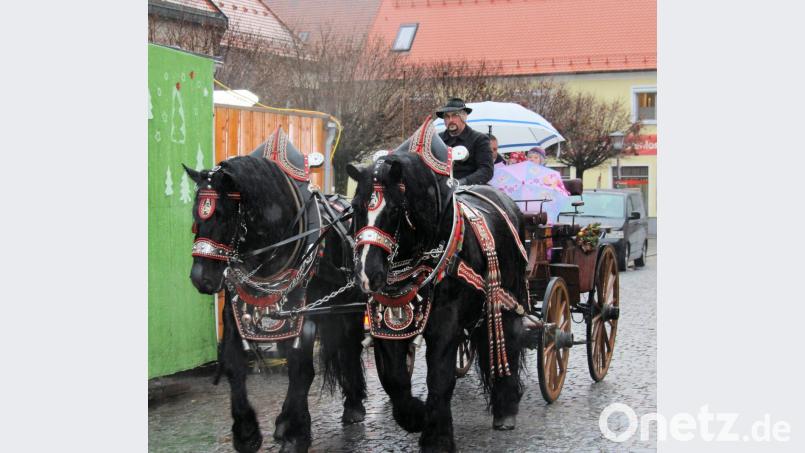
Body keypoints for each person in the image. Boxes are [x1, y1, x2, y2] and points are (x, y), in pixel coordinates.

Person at [435, 97, 493, 185]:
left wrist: (463, 182)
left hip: (471, 189)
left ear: (464, 117)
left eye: (455, 115)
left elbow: (486, 170)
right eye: (447, 116)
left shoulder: (479, 139)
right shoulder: (438, 140)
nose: (450, 120)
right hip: (441, 188)